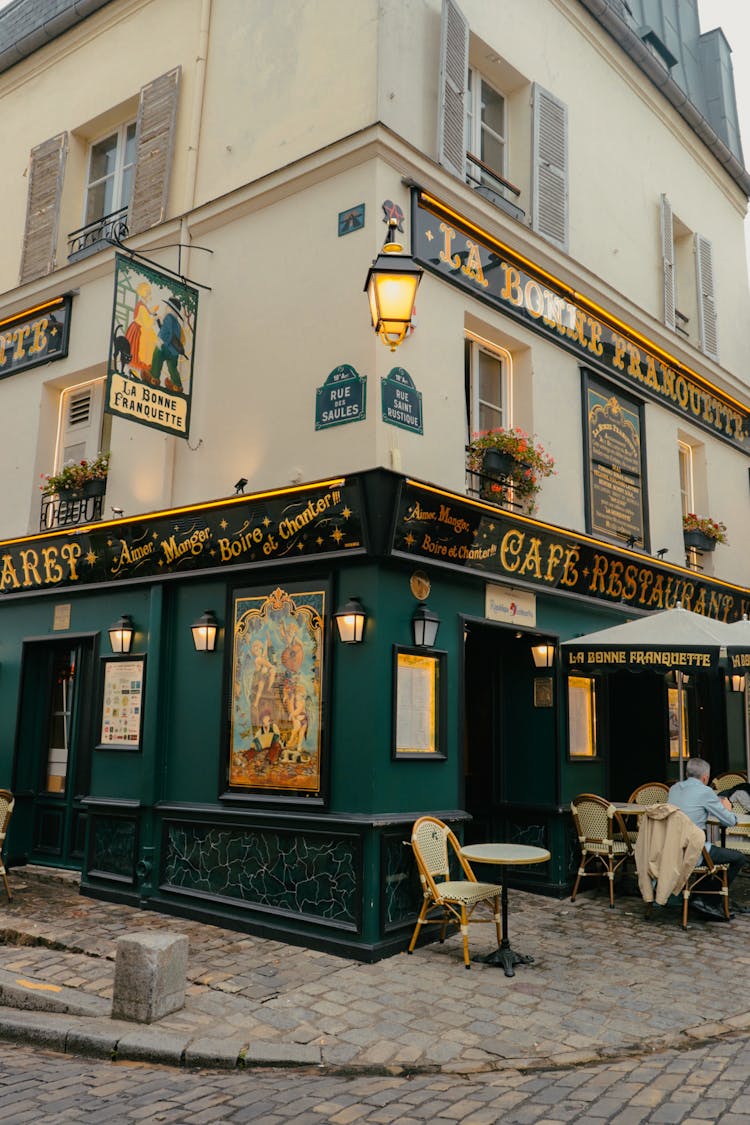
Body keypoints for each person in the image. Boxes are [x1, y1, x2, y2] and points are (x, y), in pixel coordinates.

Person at [668, 757, 748, 920]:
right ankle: (709, 900)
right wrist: (727, 808)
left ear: (687, 773)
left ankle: (697, 895)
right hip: (695, 850)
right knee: (738, 858)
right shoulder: (706, 792)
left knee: (712, 852)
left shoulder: (674, 789)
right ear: (705, 777)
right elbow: (730, 821)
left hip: (672, 848)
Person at [150, 296, 186, 392]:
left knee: (157, 354)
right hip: (174, 351)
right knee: (172, 368)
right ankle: (177, 385)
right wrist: (158, 320)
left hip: (167, 347)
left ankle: (154, 377)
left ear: (170, 308)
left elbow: (169, 333)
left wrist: (163, 344)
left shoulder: (168, 317)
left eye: (167, 306)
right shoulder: (176, 323)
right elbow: (165, 329)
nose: (166, 308)